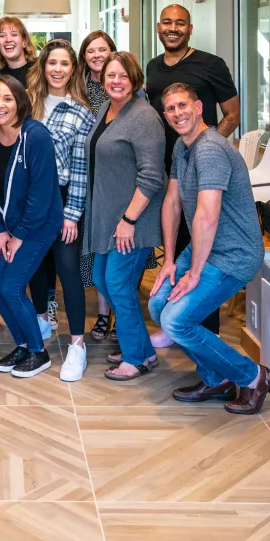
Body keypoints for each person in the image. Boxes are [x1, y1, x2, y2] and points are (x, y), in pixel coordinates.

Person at [151, 83, 270, 414]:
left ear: (199, 107)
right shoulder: (182, 147)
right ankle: (216, 377)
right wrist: (169, 262)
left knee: (176, 322)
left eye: (183, 106)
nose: (178, 113)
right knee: (158, 303)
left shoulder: (210, 150)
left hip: (234, 254)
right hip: (206, 248)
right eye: (171, 109)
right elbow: (173, 201)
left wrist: (194, 272)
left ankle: (253, 376)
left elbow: (207, 217)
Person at [145, 4, 240, 338]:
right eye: (168, 22)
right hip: (169, 168)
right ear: (159, 27)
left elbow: (232, 113)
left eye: (180, 23)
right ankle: (177, 320)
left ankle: (203, 329)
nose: (173, 28)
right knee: (178, 243)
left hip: (202, 169)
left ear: (189, 28)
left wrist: (205, 147)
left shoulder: (211, 64)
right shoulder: (153, 67)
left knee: (204, 244)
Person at [82, 52, 166, 381]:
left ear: (135, 80)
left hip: (133, 221)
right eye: (111, 75)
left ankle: (136, 358)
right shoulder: (107, 108)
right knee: (105, 280)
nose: (116, 81)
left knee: (117, 284)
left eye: (123, 76)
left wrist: (129, 220)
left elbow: (151, 177)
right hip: (109, 217)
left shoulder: (144, 117)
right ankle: (142, 348)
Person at [23, 40, 94, 380]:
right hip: (30, 199)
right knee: (35, 265)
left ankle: (77, 345)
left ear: (73, 69)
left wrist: (72, 214)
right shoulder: (26, 104)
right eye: (52, 62)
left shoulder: (81, 112)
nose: (57, 69)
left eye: (64, 64)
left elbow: (81, 169)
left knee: (68, 270)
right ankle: (40, 321)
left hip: (63, 197)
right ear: (43, 66)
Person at [0, 77, 62, 378]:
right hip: (9, 226)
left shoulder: (35, 135)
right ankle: (23, 345)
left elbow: (42, 194)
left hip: (38, 225)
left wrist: (19, 234)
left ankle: (38, 352)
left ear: (20, 102)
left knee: (11, 287)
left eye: (7, 99)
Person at [77, 31, 118, 342]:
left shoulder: (121, 84)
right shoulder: (78, 87)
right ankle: (103, 315)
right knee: (93, 248)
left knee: (120, 248)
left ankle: (123, 313)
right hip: (85, 176)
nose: (97, 55)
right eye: (91, 50)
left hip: (117, 176)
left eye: (102, 49)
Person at [0, 16, 37, 84]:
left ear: (24, 42)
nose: (8, 40)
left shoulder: (39, 68)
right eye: (2, 36)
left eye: (14, 35)